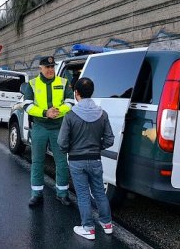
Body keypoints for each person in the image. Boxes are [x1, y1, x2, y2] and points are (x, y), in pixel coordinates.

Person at [57, 77, 115, 240]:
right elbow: (110, 139)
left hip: (76, 161)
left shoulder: (70, 115)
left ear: (76, 93)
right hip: (96, 160)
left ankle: (88, 228)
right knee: (99, 192)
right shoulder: (102, 114)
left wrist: (69, 150)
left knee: (82, 194)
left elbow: (62, 142)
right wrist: (97, 147)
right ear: (92, 93)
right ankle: (107, 224)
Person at [23, 56, 75, 207]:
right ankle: (36, 194)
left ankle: (62, 194)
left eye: (52, 67)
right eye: (47, 67)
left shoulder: (63, 82)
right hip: (40, 126)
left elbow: (70, 102)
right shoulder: (32, 84)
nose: (51, 70)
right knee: (37, 161)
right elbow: (27, 105)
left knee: (61, 162)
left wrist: (58, 111)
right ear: (41, 68)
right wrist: (46, 113)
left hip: (58, 127)